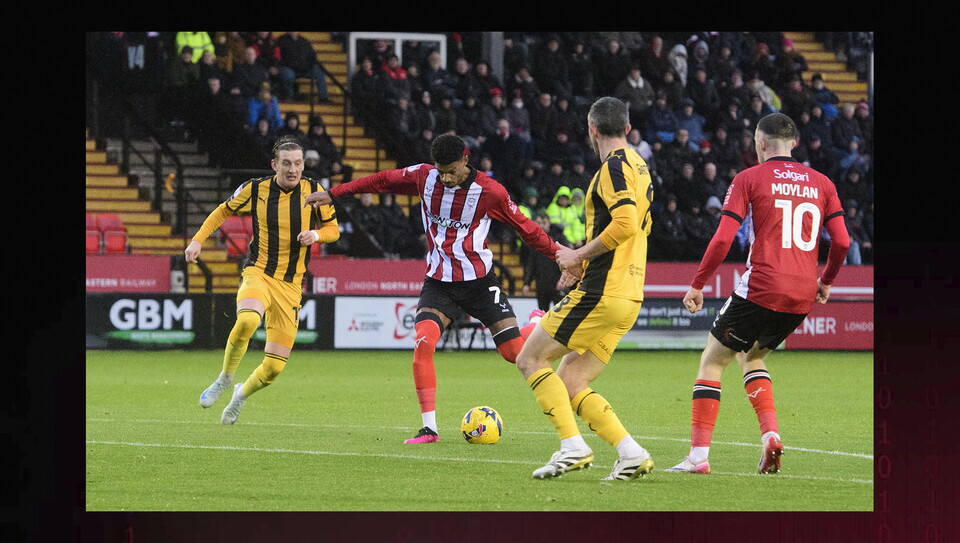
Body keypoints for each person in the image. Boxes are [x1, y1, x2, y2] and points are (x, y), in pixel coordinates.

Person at [302, 134, 564, 444]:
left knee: (514, 355)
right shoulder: (425, 177)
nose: (446, 177)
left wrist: (561, 254)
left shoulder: (490, 192)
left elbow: (528, 229)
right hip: (439, 283)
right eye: (441, 171)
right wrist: (335, 193)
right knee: (423, 343)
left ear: (465, 161)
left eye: (452, 171)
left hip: (479, 283)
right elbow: (383, 180)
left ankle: (535, 322)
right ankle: (430, 429)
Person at [665, 113, 850, 475]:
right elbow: (842, 241)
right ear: (794, 142)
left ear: (760, 142)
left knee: (712, 360)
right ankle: (770, 437)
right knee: (751, 356)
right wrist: (825, 281)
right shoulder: (823, 183)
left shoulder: (749, 178)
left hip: (762, 285)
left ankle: (698, 458)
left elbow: (722, 238)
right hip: (800, 294)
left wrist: (699, 283)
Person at [515, 96, 655, 482]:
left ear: (592, 129)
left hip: (604, 293)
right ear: (627, 128)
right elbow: (639, 229)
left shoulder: (613, 168)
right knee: (572, 380)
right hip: (628, 294)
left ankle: (572, 446)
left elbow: (625, 224)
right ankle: (631, 452)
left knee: (528, 359)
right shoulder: (640, 167)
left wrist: (578, 255)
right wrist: (585, 265)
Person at [189, 136, 339, 424]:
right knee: (246, 321)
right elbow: (222, 211)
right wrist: (197, 241)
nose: (293, 169)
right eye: (286, 163)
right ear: (274, 165)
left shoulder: (315, 191)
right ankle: (224, 378)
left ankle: (239, 395)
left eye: (298, 163)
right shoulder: (255, 189)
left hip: (291, 285)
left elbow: (333, 229)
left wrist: (316, 235)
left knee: (272, 369)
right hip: (259, 271)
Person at [522, 211, 570, 310]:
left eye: (544, 223)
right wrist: (527, 283)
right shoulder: (535, 240)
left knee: (560, 312)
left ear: (549, 223)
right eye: (539, 223)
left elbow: (568, 259)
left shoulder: (559, 237)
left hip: (557, 282)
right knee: (542, 314)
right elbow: (531, 263)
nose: (541, 226)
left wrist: (563, 279)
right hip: (541, 284)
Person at [277, 31, 329, 102]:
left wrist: (310, 64)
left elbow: (312, 55)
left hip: (304, 69)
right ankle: (288, 98)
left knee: (320, 72)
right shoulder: (281, 40)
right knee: (288, 75)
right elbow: (276, 56)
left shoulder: (304, 41)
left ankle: (323, 98)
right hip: (288, 68)